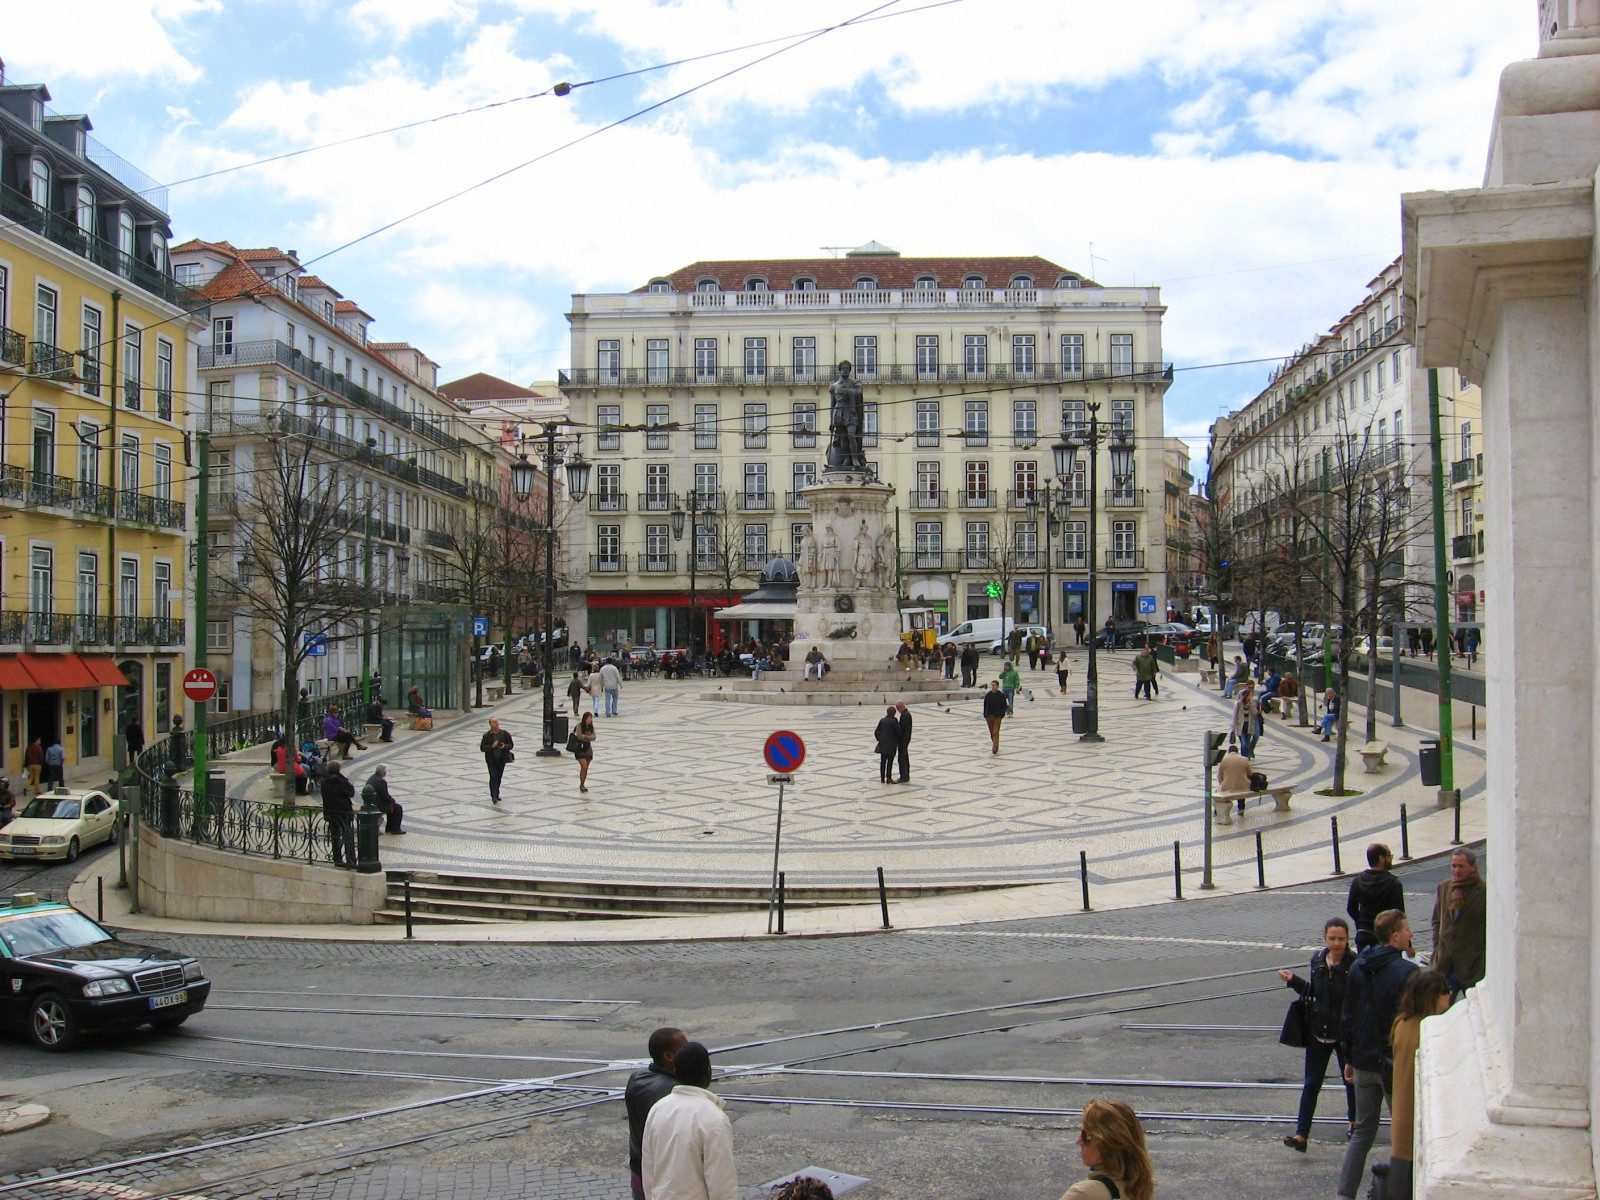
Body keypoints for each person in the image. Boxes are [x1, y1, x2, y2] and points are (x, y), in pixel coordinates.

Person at [1336, 908, 1420, 1200]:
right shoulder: (1408, 972)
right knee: (1404, 1133)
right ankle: (1399, 1192)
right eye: (1407, 929)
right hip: (1393, 1063)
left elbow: (1347, 1015)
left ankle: (1344, 1194)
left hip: (1362, 1059)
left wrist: (1348, 1058)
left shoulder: (1359, 965)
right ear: (1395, 936)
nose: (1411, 933)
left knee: (1362, 1131)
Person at [1278, 917, 1357, 1152]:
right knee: (1311, 1083)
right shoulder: (1318, 960)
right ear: (1325, 938)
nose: (1336, 943)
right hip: (1318, 1032)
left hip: (1343, 1033)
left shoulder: (1354, 964)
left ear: (1347, 940)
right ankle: (1301, 1135)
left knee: (1350, 1081)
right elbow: (1315, 993)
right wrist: (1293, 981)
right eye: (1332, 938)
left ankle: (1354, 1123)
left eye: (1341, 939)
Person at [1385, 969, 1453, 1200]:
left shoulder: (1402, 1022)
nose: (1450, 994)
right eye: (1444, 991)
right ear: (1431, 996)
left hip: (1402, 1115)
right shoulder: (1431, 1030)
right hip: (1419, 1118)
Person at [641, 1040, 736, 1200]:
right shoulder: (713, 1117)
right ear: (708, 1072)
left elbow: (648, 1170)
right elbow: (722, 1184)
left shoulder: (657, 1109)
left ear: (676, 1072)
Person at [626, 1027, 687, 1200]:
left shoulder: (637, 1077)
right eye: (685, 1048)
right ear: (668, 1056)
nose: (688, 1052)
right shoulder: (672, 1091)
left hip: (639, 1170)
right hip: (660, 1179)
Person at [1061, 1099, 1155, 1200]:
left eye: (1085, 1135)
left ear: (1105, 1143)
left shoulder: (1084, 1193)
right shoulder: (1137, 1188)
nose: (1079, 1141)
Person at [1431, 847, 1487, 993]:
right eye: (1453, 866)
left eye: (1461, 866)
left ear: (1473, 867)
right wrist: (1437, 948)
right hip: (1444, 966)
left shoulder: (1484, 891)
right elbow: (1436, 921)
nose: (1456, 870)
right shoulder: (1444, 887)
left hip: (1472, 967)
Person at [1347, 843, 1405, 950]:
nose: (1390, 859)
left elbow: (1351, 908)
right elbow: (1399, 915)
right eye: (1389, 856)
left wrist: (1361, 922)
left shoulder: (1357, 881)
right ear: (1381, 859)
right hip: (1385, 937)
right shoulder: (1393, 883)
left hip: (1364, 934)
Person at [320, 760, 357, 868]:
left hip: (331, 812)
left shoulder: (324, 782)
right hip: (343, 811)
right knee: (347, 836)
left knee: (335, 836)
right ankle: (351, 860)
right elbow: (351, 793)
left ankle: (337, 859)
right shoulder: (342, 781)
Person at [480, 718, 514, 804]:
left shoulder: (504, 734)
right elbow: (483, 748)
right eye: (494, 722)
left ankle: (496, 793)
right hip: (491, 760)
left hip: (501, 759)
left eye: (497, 722)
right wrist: (492, 746)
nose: (496, 723)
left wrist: (504, 746)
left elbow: (511, 745)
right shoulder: (487, 735)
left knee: (498, 777)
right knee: (493, 776)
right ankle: (494, 796)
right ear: (490, 724)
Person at [362, 764, 404, 834]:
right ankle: (395, 829)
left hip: (372, 802)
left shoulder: (372, 778)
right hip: (378, 805)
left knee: (393, 806)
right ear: (384, 773)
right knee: (398, 808)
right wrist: (392, 800)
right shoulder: (381, 781)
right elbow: (384, 795)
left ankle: (390, 828)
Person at [1232, 681, 1263, 758]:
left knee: (1256, 735)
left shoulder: (1257, 693)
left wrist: (1256, 706)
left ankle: (1250, 749)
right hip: (1242, 721)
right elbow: (1236, 709)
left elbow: (1257, 706)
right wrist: (1233, 728)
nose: (1251, 689)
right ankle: (1245, 756)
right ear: (1246, 686)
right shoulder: (1241, 694)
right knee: (1244, 743)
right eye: (1250, 687)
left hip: (1253, 718)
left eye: (1252, 687)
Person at [873, 705, 900, 784]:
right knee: (890, 762)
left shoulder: (882, 720)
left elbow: (876, 732)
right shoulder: (894, 721)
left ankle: (882, 778)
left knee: (883, 762)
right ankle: (889, 778)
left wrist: (880, 739)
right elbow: (898, 732)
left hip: (883, 744)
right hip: (891, 745)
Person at [982, 680, 1008, 755]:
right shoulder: (988, 695)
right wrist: (985, 714)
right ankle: (995, 743)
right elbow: (985, 705)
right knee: (992, 732)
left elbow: (1004, 705)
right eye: (992, 685)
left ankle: (995, 747)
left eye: (994, 685)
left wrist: (1002, 714)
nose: (993, 687)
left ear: (997, 686)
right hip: (989, 716)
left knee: (995, 732)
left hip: (998, 716)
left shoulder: (1001, 695)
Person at [572, 711, 596, 792]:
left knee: (585, 769)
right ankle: (581, 785)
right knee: (584, 766)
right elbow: (579, 736)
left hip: (588, 749)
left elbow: (594, 737)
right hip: (580, 749)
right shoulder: (579, 726)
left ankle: (582, 784)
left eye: (591, 718)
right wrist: (588, 737)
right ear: (585, 719)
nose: (590, 720)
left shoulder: (591, 727)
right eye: (589, 718)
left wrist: (585, 737)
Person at [894, 700, 913, 784]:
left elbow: (902, 729)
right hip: (905, 739)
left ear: (901, 707)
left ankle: (904, 776)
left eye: (898, 708)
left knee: (902, 758)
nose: (898, 711)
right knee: (904, 757)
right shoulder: (906, 714)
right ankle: (906, 775)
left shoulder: (905, 716)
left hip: (903, 740)